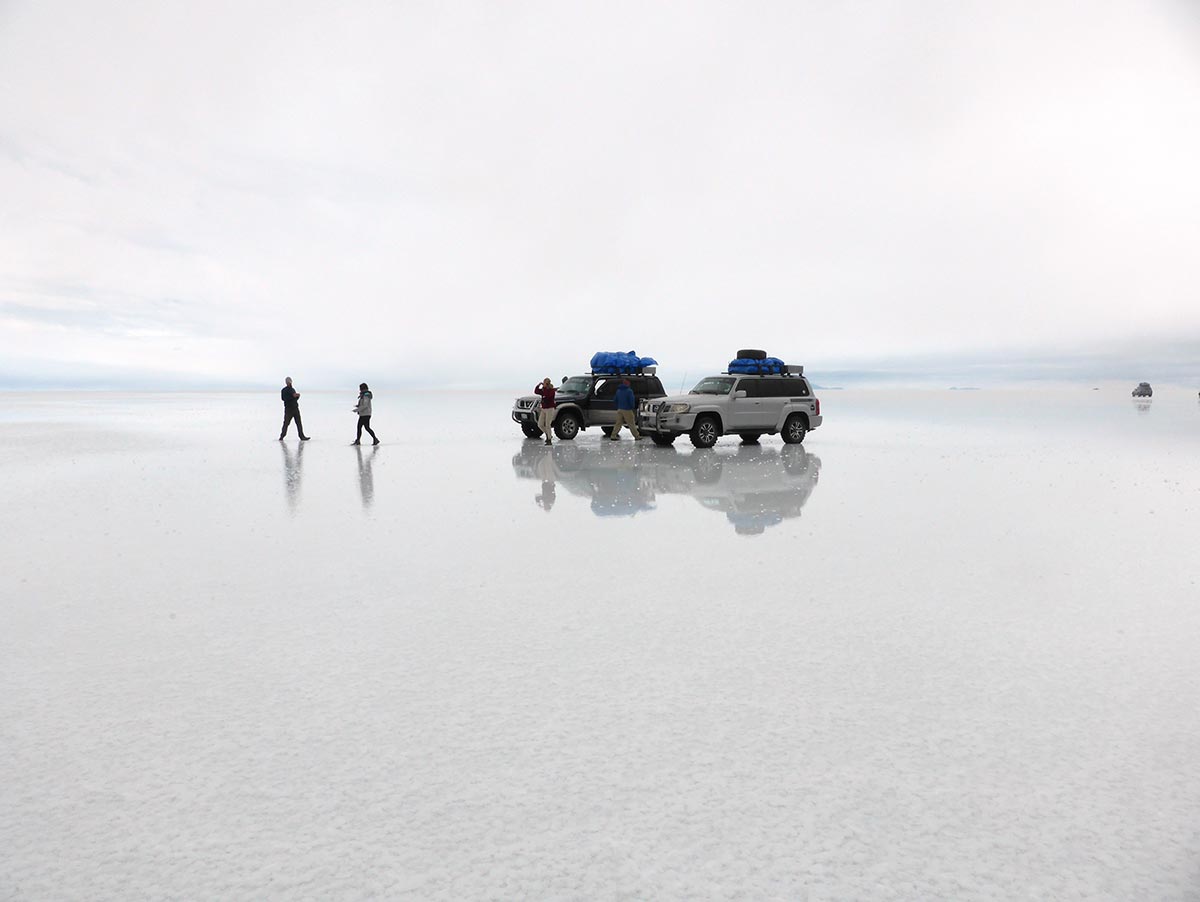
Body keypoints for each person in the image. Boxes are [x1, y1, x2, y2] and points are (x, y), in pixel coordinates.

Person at [534, 377, 556, 446]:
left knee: (547, 424)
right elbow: (536, 391)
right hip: (544, 409)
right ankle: (548, 434)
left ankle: (549, 438)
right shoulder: (543, 390)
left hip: (550, 408)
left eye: (545, 383)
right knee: (540, 424)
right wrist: (538, 386)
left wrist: (545, 389)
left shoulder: (551, 391)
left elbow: (548, 396)